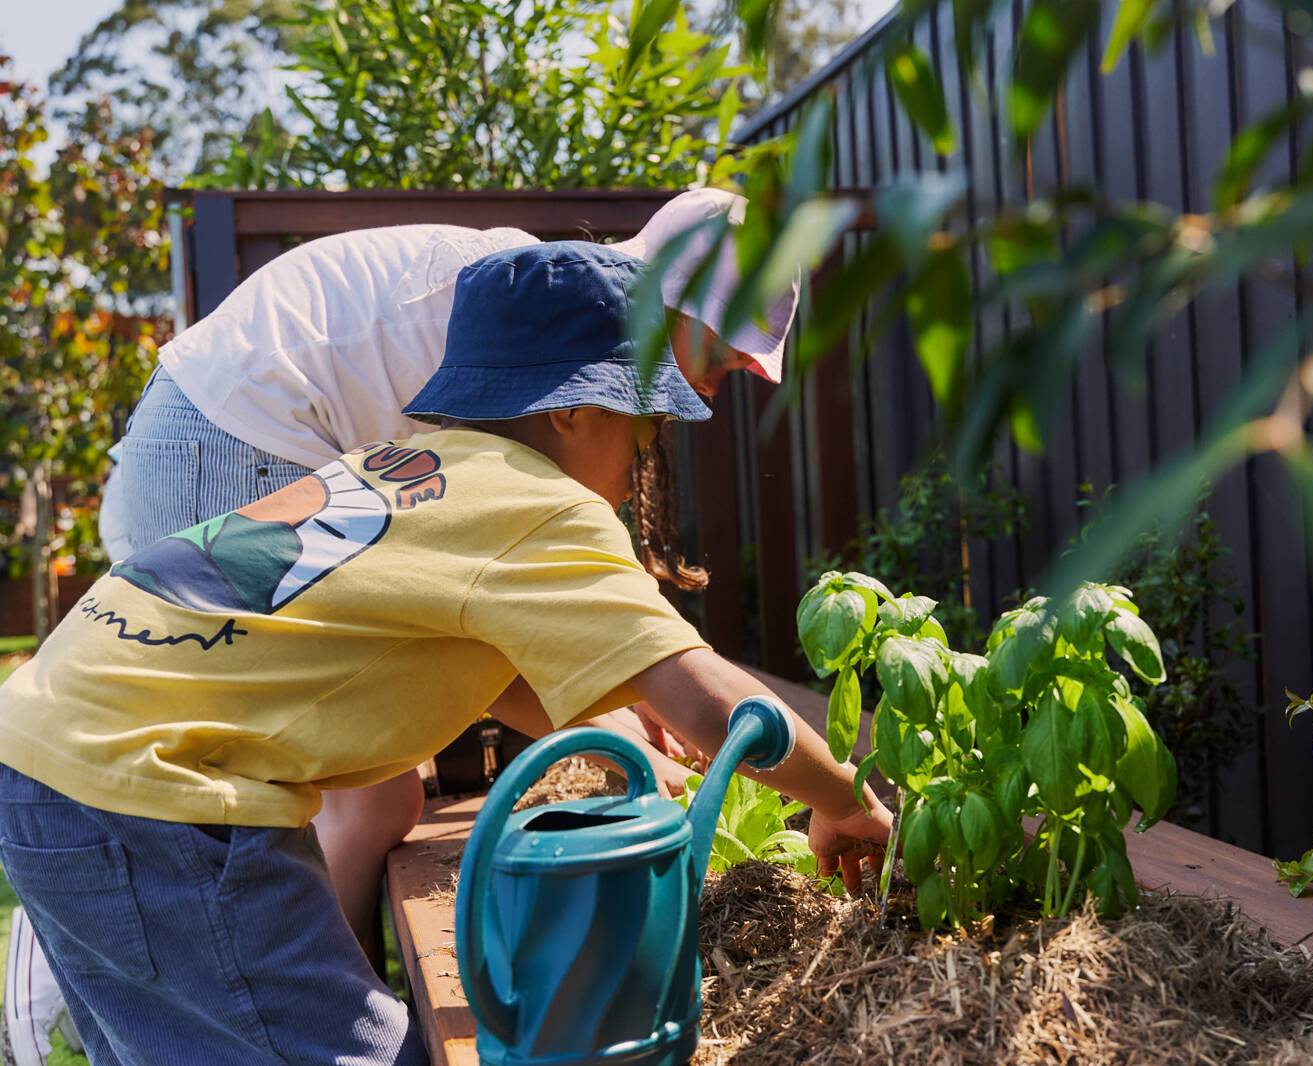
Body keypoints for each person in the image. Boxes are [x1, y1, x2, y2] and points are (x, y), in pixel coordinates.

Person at [0, 242, 891, 1066]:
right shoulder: (545, 507)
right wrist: (843, 801)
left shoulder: (404, 466)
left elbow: (494, 676)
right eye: (645, 427)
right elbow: (715, 700)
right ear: (576, 410)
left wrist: (617, 709)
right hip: (155, 796)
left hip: (46, 743)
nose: (647, 457)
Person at [91, 186, 798, 964]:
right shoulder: (528, 318)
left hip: (223, 436)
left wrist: (622, 695)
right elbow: (468, 599)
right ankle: (323, 1008)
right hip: (229, 440)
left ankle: (339, 998)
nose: (714, 387)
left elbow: (495, 599)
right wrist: (616, 715)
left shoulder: (550, 305)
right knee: (363, 798)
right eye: (722, 357)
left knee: (374, 793)